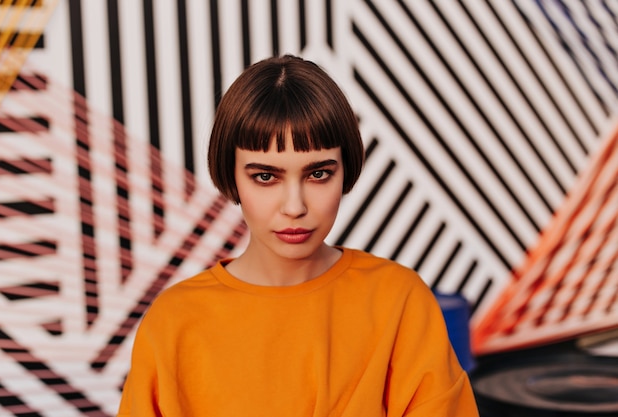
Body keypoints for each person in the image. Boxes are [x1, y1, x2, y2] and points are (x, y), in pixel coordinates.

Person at [117, 54, 479, 416]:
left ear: (345, 171)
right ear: (231, 176)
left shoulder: (399, 301)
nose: (294, 206)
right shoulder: (173, 322)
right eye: (265, 176)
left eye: (318, 174)